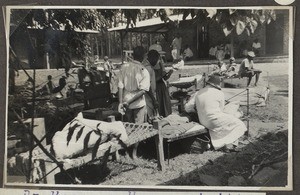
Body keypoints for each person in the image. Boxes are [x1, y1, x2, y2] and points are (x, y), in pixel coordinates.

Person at [195, 75, 247, 150]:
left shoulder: (199, 92)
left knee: (223, 123)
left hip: (202, 120)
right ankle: (228, 143)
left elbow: (189, 107)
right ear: (217, 85)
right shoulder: (219, 93)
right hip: (214, 120)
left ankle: (217, 143)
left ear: (208, 83)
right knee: (240, 124)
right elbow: (221, 110)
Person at [118, 46, 150, 159]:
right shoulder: (143, 71)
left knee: (127, 127)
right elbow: (142, 91)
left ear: (133, 55)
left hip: (127, 100)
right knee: (138, 127)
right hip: (138, 102)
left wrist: (121, 102)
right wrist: (126, 102)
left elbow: (120, 86)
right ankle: (134, 153)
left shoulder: (124, 67)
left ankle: (127, 151)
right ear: (143, 57)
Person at [153, 53, 172, 117]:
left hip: (162, 86)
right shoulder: (149, 66)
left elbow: (165, 78)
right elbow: (154, 79)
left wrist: (169, 73)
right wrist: (162, 75)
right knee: (158, 104)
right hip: (155, 87)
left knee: (165, 104)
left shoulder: (160, 64)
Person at [143, 50, 160, 122]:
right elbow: (147, 86)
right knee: (150, 117)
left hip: (150, 96)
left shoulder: (149, 67)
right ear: (152, 58)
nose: (157, 62)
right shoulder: (148, 69)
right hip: (148, 97)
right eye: (156, 59)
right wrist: (154, 100)